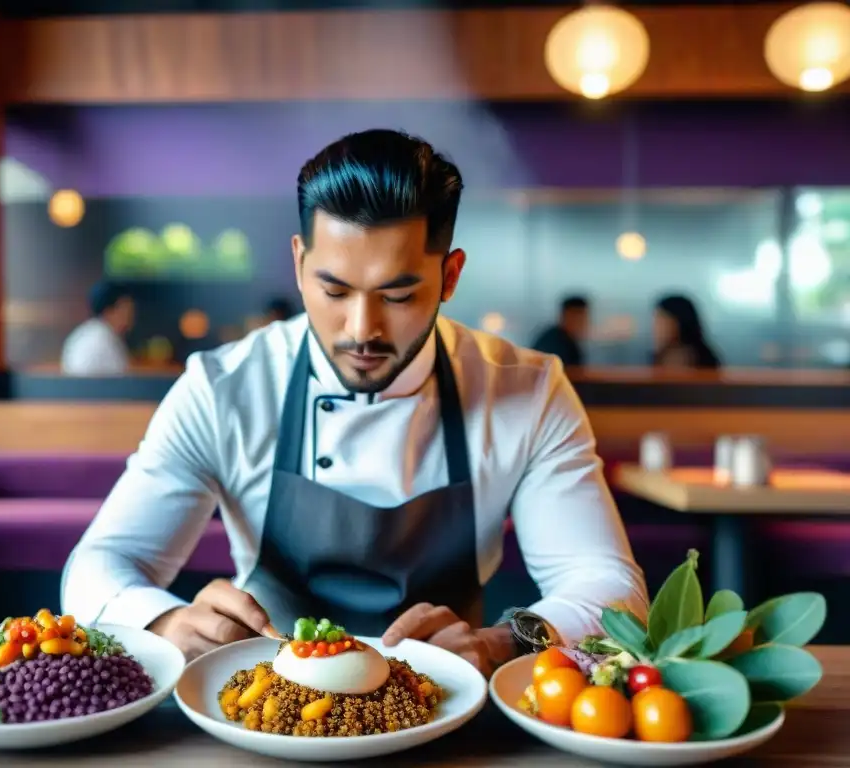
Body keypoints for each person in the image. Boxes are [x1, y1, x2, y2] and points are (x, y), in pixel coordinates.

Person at [61, 129, 648, 676]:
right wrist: (164, 621)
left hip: (447, 705)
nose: (361, 328)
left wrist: (502, 642)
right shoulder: (224, 389)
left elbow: (611, 587)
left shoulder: (526, 389)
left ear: (449, 276)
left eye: (397, 294)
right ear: (298, 264)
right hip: (261, 706)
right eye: (334, 290)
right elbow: (98, 564)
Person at [60, 282, 135, 376]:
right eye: (126, 310)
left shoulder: (85, 332)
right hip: (92, 390)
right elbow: (123, 378)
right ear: (108, 311)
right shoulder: (104, 339)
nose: (130, 317)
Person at [651, 294, 722, 369]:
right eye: (655, 322)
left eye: (662, 322)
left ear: (679, 322)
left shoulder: (684, 357)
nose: (656, 328)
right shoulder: (661, 356)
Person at [530, 296, 590, 367]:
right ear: (564, 316)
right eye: (578, 317)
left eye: (584, 317)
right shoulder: (553, 341)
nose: (582, 323)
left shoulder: (568, 340)